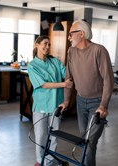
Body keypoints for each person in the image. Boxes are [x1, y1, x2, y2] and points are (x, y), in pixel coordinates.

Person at [59, 20, 114, 166]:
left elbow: (108, 79)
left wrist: (103, 105)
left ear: (81, 34)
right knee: (85, 140)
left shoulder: (99, 50)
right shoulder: (71, 51)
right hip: (80, 101)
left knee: (89, 142)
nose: (69, 37)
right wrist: (66, 100)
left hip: (97, 103)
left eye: (71, 34)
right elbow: (68, 78)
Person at [27, 35, 73, 166]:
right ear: (37, 44)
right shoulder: (32, 65)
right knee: (40, 135)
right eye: (45, 44)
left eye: (49, 45)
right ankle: (40, 160)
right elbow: (43, 84)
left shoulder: (55, 62)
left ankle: (50, 161)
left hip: (56, 105)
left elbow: (67, 74)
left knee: (54, 136)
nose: (47, 47)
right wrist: (64, 84)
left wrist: (72, 57)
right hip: (41, 105)